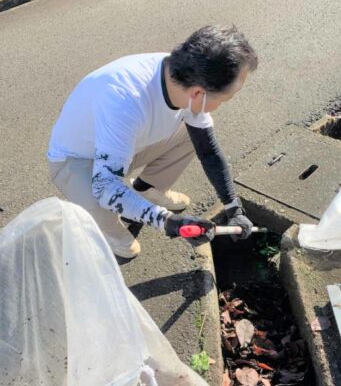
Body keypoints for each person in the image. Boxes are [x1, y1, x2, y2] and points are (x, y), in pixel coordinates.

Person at [47, 25, 258, 258]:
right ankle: (108, 229)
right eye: (226, 99)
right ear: (198, 93)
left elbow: (208, 152)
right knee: (126, 248)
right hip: (77, 161)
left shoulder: (180, 77)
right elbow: (105, 186)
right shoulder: (125, 100)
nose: (223, 104)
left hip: (125, 146)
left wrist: (233, 207)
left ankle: (147, 189)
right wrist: (168, 221)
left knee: (193, 134)